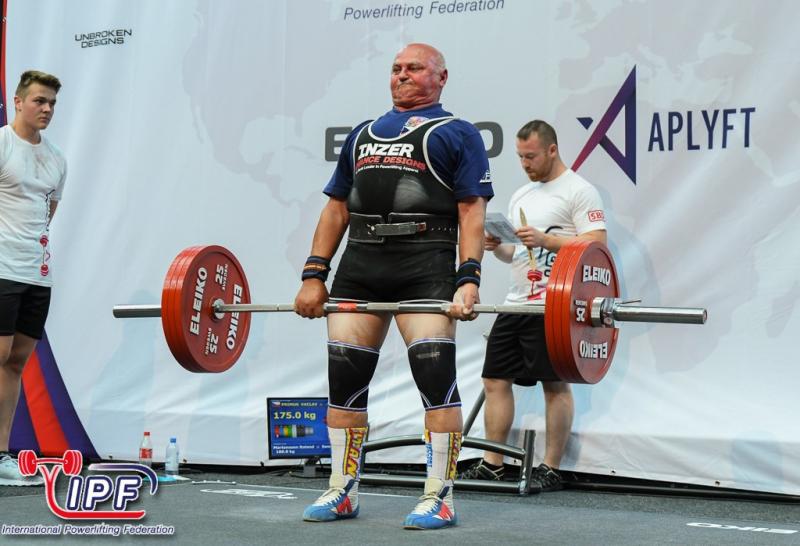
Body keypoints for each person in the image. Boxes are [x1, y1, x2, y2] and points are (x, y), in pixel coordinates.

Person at [294, 43, 492, 530]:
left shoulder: (458, 132)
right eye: (396, 68)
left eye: (415, 68)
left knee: (435, 378)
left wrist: (468, 278)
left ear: (441, 77)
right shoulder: (362, 134)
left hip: (426, 262)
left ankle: (440, 496)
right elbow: (336, 208)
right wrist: (314, 274)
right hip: (361, 263)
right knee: (344, 385)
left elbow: (471, 210)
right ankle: (342, 489)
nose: (402, 75)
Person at [459, 120, 606, 492]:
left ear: (552, 150)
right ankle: (493, 463)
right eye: (521, 157)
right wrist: (499, 247)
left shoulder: (579, 191)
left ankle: (552, 467)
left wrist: (546, 240)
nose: (525, 164)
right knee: (495, 379)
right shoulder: (522, 194)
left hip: (554, 304)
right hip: (517, 302)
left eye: (531, 156)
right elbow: (517, 255)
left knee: (554, 384)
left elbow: (596, 244)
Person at [0, 70, 67, 486]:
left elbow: (47, 214)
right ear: (18, 101)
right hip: (1, 269)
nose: (47, 109)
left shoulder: (56, 158)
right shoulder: (2, 144)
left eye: (52, 103)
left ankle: (1, 454)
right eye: (40, 101)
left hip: (36, 274)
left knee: (15, 363)